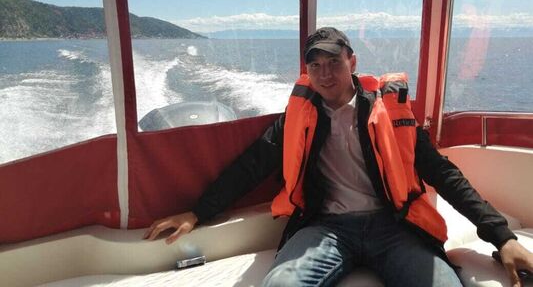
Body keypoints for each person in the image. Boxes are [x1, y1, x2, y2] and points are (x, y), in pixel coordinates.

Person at [144, 27, 533, 287]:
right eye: (315, 65)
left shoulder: (390, 115)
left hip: (394, 227)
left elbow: (444, 174)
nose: (325, 73)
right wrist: (197, 213)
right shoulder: (297, 120)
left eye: (334, 62)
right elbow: (251, 166)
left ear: (353, 63)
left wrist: (502, 237)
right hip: (326, 229)